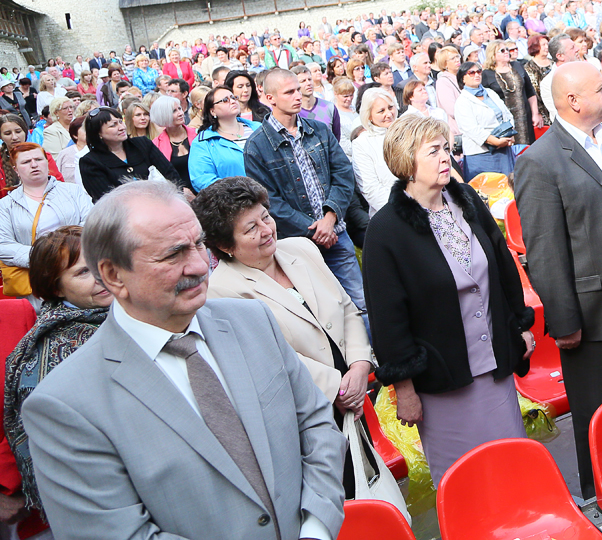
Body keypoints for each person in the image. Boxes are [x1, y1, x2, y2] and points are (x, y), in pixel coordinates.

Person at [20, 180, 346, 540]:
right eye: (173, 255)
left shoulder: (253, 321)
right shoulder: (64, 405)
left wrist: (315, 528)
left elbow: (315, 425)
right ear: (113, 275)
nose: (199, 266)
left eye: (199, 244)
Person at [362, 115, 534, 480]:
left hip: (495, 369)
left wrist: (521, 324)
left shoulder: (466, 199)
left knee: (512, 469)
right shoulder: (385, 229)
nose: (445, 157)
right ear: (407, 162)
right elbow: (388, 317)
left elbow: (503, 265)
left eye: (446, 148)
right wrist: (404, 388)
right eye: (433, 151)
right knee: (467, 481)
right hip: (443, 381)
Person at [513, 61, 602, 498]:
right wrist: (565, 321)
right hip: (592, 317)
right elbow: (545, 250)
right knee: (598, 419)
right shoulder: (540, 161)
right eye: (600, 89)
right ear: (572, 101)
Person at [197, 177, 373, 414]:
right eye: (251, 228)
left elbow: (346, 308)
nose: (266, 230)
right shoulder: (220, 293)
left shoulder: (302, 248)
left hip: (356, 389)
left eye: (265, 217)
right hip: (307, 408)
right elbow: (267, 358)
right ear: (225, 246)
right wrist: (335, 389)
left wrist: (360, 365)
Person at [3, 227, 110, 530]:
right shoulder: (58, 347)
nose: (101, 277)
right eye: (83, 272)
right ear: (57, 288)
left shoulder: (126, 314)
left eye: (103, 263)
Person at [244, 68, 366, 322]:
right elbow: (269, 201)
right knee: (318, 314)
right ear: (269, 98)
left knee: (360, 304)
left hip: (336, 233)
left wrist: (330, 219)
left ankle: (369, 348)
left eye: (298, 90)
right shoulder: (257, 145)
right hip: (297, 243)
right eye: (289, 92)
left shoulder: (319, 130)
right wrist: (314, 229)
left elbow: (343, 174)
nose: (298, 96)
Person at [0, 144, 93, 301]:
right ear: (16, 169)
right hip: (37, 280)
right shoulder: (5, 205)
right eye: (26, 162)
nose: (34, 165)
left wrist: (68, 254)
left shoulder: (73, 191)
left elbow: (91, 224)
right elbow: (4, 245)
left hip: (80, 268)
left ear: (46, 162)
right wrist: (46, 257)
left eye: (38, 159)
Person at [79, 107, 180, 203]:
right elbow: (105, 199)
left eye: (120, 121)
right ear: (98, 133)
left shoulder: (142, 144)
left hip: (159, 204)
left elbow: (170, 174)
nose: (121, 127)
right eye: (113, 125)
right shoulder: (90, 162)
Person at [188, 85, 261, 192]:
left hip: (272, 197)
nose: (232, 101)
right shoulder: (204, 142)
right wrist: (239, 193)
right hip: (234, 199)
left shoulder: (258, 128)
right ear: (212, 111)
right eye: (225, 100)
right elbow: (202, 180)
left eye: (233, 97)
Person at [481, 40, 539, 148]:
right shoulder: (487, 74)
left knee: (529, 148)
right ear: (493, 55)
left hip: (524, 117)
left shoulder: (517, 66)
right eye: (502, 50)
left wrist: (535, 113)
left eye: (507, 49)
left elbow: (530, 91)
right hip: (503, 121)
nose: (506, 52)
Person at [351, 87, 399, 214]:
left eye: (390, 107)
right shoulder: (362, 144)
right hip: (390, 213)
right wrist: (404, 210)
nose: (389, 114)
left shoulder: (408, 132)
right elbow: (371, 189)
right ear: (369, 115)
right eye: (381, 111)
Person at [150, 95, 197, 193]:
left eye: (180, 108)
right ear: (163, 116)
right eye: (174, 111)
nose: (180, 113)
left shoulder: (198, 134)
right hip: (177, 195)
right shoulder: (156, 145)